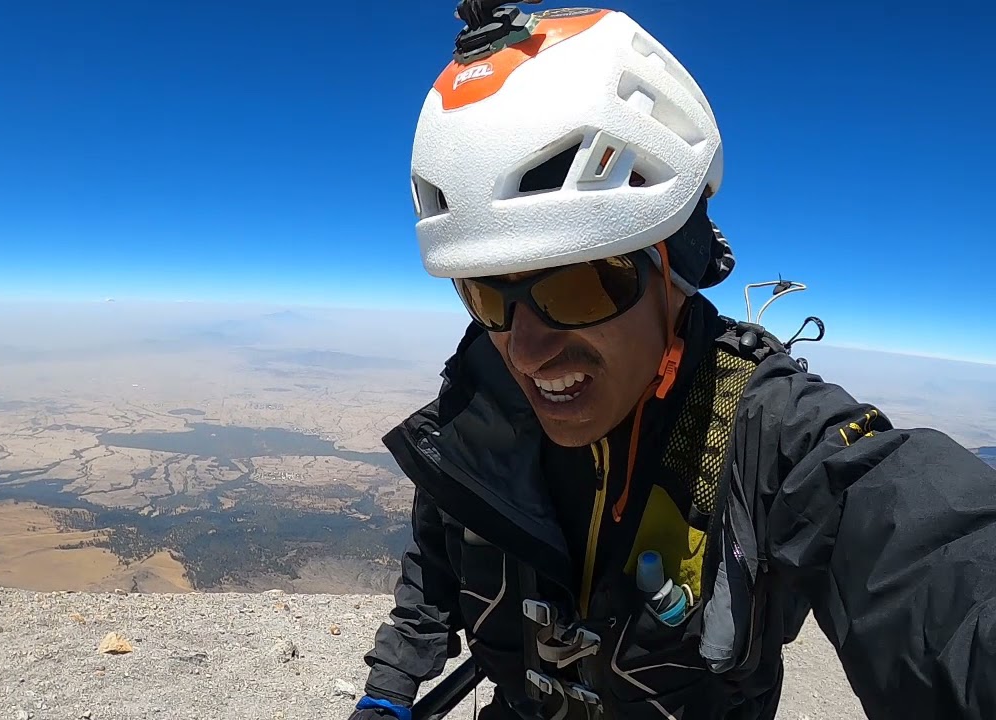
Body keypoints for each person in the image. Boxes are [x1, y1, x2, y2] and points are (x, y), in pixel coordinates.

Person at [348, 3, 996, 720]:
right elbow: (438, 559)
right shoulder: (480, 405)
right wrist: (390, 688)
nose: (525, 350)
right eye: (486, 295)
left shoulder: (761, 428)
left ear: (673, 264)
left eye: (575, 283)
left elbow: (914, 541)